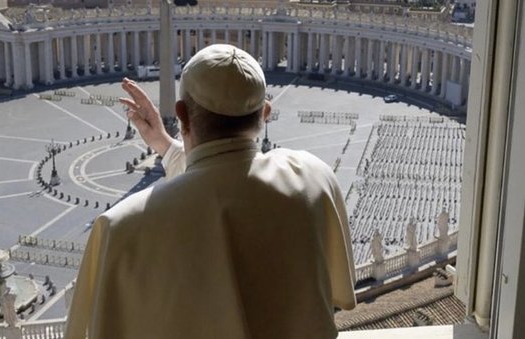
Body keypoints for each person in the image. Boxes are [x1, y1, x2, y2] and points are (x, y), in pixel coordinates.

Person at [65, 44, 356, 339]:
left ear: (181, 114)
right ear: (265, 113)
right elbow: (226, 177)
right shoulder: (315, 178)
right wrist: (165, 145)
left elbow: (207, 185)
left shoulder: (119, 227)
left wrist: (170, 145)